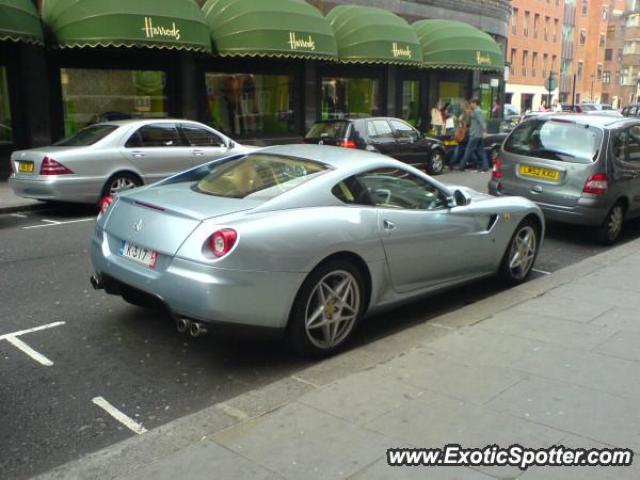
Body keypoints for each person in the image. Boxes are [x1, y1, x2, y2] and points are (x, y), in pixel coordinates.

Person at [458, 99, 490, 172]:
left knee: (468, 150)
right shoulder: (477, 111)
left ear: (475, 103)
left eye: (472, 103)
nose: (471, 105)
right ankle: (485, 166)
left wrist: (485, 131)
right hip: (479, 135)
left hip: (475, 135)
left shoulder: (477, 111)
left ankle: (461, 166)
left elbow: (482, 122)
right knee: (481, 151)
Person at [448, 100, 471, 170]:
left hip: (464, 133)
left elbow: (464, 124)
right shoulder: (466, 114)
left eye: (461, 105)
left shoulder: (466, 114)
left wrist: (459, 121)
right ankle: (459, 165)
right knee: (465, 150)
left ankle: (454, 164)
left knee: (461, 150)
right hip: (465, 134)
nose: (460, 107)